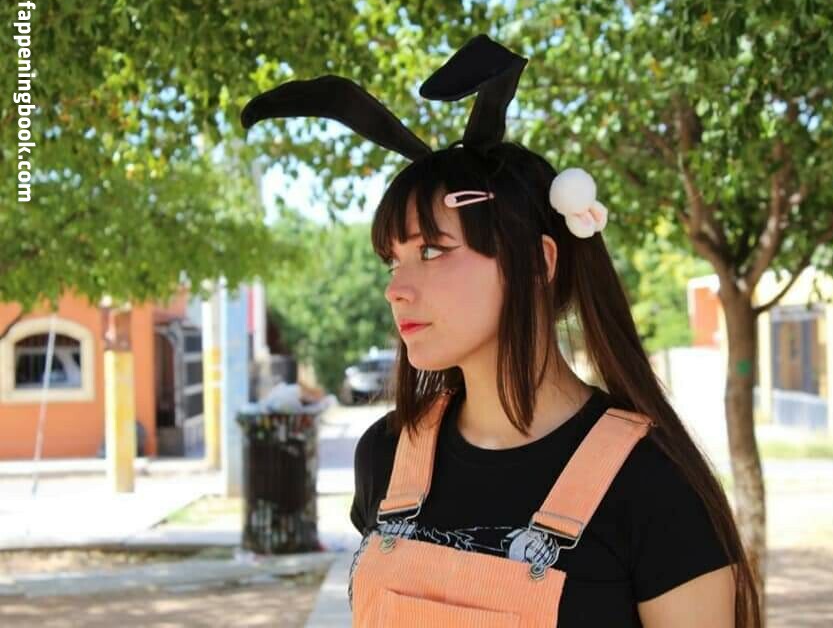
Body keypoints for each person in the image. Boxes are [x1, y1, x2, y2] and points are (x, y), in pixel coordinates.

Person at [242, 34, 760, 628]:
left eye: (432, 250)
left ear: (537, 262)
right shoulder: (385, 455)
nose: (396, 289)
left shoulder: (653, 483)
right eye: (393, 261)